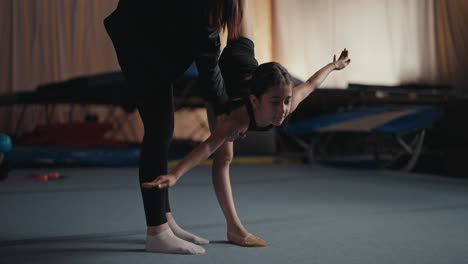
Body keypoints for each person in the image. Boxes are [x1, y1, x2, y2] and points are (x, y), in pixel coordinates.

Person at [142, 0, 351, 248]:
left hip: (243, 51)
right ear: (256, 100)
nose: (283, 110)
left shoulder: (287, 103)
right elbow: (207, 147)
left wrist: (334, 66)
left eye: (286, 101)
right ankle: (235, 228)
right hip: (223, 88)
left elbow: (313, 83)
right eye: (275, 102)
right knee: (224, 158)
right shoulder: (236, 118)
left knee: (241, 4)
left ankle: (233, 229)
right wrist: (175, 175)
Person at [103, 0, 245, 254]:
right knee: (160, 130)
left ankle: (164, 219)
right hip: (138, 40)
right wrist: (226, 111)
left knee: (161, 127)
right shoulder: (202, 12)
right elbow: (209, 72)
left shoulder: (202, 13)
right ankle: (156, 231)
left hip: (147, 40)